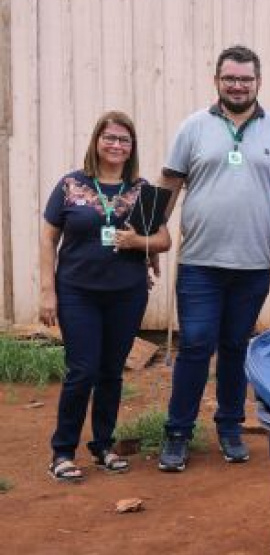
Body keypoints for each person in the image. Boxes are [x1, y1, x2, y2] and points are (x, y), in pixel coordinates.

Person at [158, 45, 270, 472]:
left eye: (245, 79)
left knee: (236, 347)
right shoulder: (192, 128)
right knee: (196, 345)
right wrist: (150, 237)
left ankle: (229, 427)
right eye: (230, 78)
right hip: (200, 261)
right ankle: (178, 432)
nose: (237, 85)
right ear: (217, 80)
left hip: (255, 263)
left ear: (258, 82)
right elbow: (168, 185)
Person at [41, 111, 172, 483]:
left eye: (124, 140)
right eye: (110, 138)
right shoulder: (70, 185)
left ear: (132, 148)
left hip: (126, 294)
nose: (116, 145)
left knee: (111, 373)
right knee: (82, 371)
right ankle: (62, 452)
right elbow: (48, 237)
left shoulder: (141, 190)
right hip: (77, 292)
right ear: (97, 141)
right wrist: (47, 290)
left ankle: (103, 446)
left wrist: (138, 242)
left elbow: (163, 239)